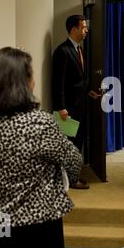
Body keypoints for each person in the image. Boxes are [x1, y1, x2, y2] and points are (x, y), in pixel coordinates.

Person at [0, 47, 83, 248]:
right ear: (23, 83)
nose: (34, 82)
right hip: (33, 227)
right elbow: (73, 164)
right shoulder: (39, 123)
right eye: (31, 76)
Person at [52, 14, 100, 189]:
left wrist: (89, 92)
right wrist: (61, 108)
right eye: (84, 27)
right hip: (68, 110)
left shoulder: (79, 49)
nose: (86, 30)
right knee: (70, 145)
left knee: (77, 143)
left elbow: (79, 80)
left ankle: (73, 176)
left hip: (81, 105)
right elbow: (58, 82)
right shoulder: (62, 51)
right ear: (74, 29)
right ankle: (70, 180)